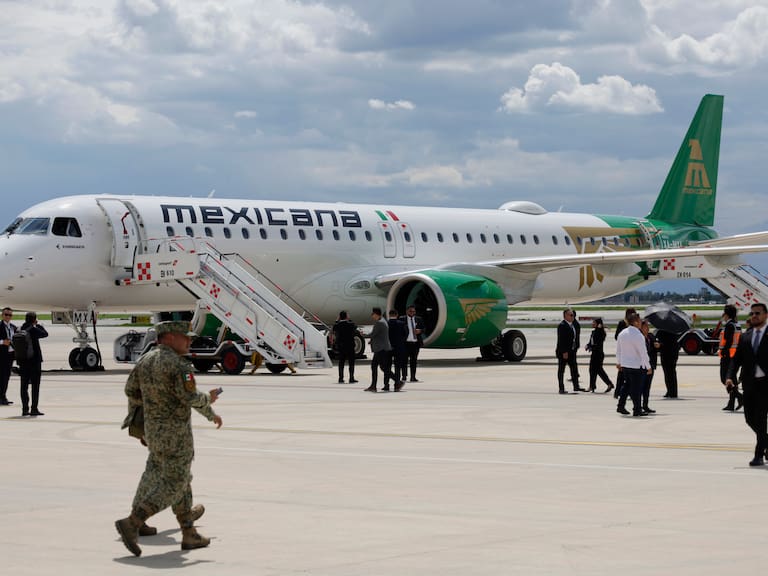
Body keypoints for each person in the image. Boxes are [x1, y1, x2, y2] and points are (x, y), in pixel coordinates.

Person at [115, 321, 223, 557]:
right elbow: (189, 396)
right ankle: (133, 521)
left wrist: (143, 422)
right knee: (175, 482)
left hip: (153, 432)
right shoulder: (178, 364)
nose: (189, 341)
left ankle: (189, 532)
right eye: (185, 337)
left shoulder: (145, 360)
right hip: (176, 435)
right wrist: (208, 400)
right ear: (170, 337)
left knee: (174, 476)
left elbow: (131, 391)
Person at [726, 302, 768, 466]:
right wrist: (730, 377)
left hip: (766, 385)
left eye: (757, 313)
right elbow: (735, 361)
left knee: (761, 418)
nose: (754, 316)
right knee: (749, 418)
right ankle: (766, 442)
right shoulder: (746, 336)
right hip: (750, 385)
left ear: (765, 315)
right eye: (752, 314)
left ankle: (758, 455)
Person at [615, 312, 652, 416]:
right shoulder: (638, 335)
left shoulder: (622, 333)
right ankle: (637, 409)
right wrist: (648, 366)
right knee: (637, 388)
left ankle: (620, 405)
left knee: (627, 385)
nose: (641, 323)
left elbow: (618, 350)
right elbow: (643, 353)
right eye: (639, 321)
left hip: (626, 365)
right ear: (635, 322)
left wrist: (619, 362)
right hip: (636, 366)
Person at [365, 308, 403, 393]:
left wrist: (362, 334)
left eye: (373, 314)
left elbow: (373, 334)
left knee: (380, 367)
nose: (372, 315)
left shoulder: (379, 323)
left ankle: (397, 381)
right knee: (379, 367)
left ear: (376, 314)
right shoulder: (383, 321)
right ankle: (374, 385)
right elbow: (379, 335)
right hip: (382, 348)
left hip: (381, 349)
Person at [18, 311, 48, 417]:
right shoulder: (34, 329)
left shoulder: (20, 329)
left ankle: (24, 409)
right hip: (34, 362)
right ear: (34, 319)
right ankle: (34, 408)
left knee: (23, 386)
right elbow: (45, 334)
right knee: (35, 386)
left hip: (23, 361)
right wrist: (38, 325)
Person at [719, 304, 743, 411]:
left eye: (724, 313)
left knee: (724, 378)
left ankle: (740, 397)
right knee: (732, 379)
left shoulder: (729, 326)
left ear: (727, 314)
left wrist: (724, 351)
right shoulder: (737, 325)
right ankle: (731, 403)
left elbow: (728, 341)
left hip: (728, 356)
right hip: (735, 355)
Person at [556, 308, 584, 393]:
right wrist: (564, 352)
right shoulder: (562, 325)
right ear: (566, 316)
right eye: (571, 315)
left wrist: (575, 348)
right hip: (563, 352)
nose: (573, 316)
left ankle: (576, 386)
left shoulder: (573, 325)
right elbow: (561, 340)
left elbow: (575, 338)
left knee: (574, 369)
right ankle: (561, 388)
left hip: (572, 351)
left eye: (573, 315)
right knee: (561, 370)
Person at [585, 317, 613, 393]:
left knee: (598, 370)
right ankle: (593, 386)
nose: (592, 323)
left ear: (598, 324)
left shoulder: (601, 333)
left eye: (594, 322)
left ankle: (608, 384)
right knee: (593, 370)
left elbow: (598, 343)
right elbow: (591, 342)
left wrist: (600, 328)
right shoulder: (593, 332)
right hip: (594, 353)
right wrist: (588, 345)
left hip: (598, 354)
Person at [614, 307, 636, 399]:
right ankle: (618, 392)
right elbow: (617, 336)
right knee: (622, 374)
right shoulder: (622, 323)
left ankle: (622, 392)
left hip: (630, 352)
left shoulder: (635, 324)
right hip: (624, 352)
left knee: (626, 375)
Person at [332, 310, 358, 384]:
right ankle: (351, 378)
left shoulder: (337, 325)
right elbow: (355, 326)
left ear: (340, 317)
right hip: (350, 346)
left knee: (341, 363)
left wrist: (337, 320)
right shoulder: (351, 324)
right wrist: (348, 319)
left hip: (341, 346)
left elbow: (334, 328)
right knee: (351, 362)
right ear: (346, 316)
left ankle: (341, 378)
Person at [640, 319, 659, 413]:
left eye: (648, 326)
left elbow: (658, 345)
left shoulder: (651, 336)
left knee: (647, 387)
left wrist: (657, 345)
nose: (648, 328)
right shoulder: (639, 337)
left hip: (651, 364)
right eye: (645, 326)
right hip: (642, 366)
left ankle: (645, 405)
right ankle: (638, 406)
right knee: (641, 387)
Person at [401, 305, 424, 382]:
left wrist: (420, 331)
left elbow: (424, 328)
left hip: (415, 344)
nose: (412, 313)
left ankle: (413, 377)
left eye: (414, 311)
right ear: (407, 311)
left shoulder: (419, 319)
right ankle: (404, 376)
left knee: (414, 361)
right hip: (406, 344)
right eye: (411, 311)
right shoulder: (402, 319)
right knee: (404, 361)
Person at [656, 328, 681, 398]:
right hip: (674, 354)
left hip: (666, 354)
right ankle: (673, 391)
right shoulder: (674, 330)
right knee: (672, 373)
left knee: (667, 374)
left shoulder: (661, 331)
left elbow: (659, 343)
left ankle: (670, 391)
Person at [0, 307, 16, 405]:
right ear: (2, 315)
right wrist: (2, 342)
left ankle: (3, 396)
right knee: (1, 376)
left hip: (10, 355)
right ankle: (1, 397)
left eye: (10, 315)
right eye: (6, 314)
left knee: (6, 376)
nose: (8, 317)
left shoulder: (13, 327)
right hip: (1, 355)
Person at [387, 309, 407, 384]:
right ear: (397, 315)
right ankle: (397, 384)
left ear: (389, 315)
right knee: (397, 367)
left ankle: (386, 385)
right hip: (399, 347)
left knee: (388, 367)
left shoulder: (386, 323)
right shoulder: (401, 323)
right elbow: (406, 334)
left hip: (388, 348)